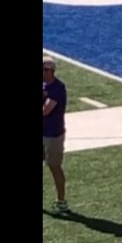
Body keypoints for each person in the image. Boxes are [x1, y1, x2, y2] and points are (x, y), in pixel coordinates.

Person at [42, 57, 69, 213]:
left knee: (54, 167)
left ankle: (61, 201)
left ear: (48, 71)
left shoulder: (57, 89)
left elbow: (46, 111)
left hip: (53, 135)